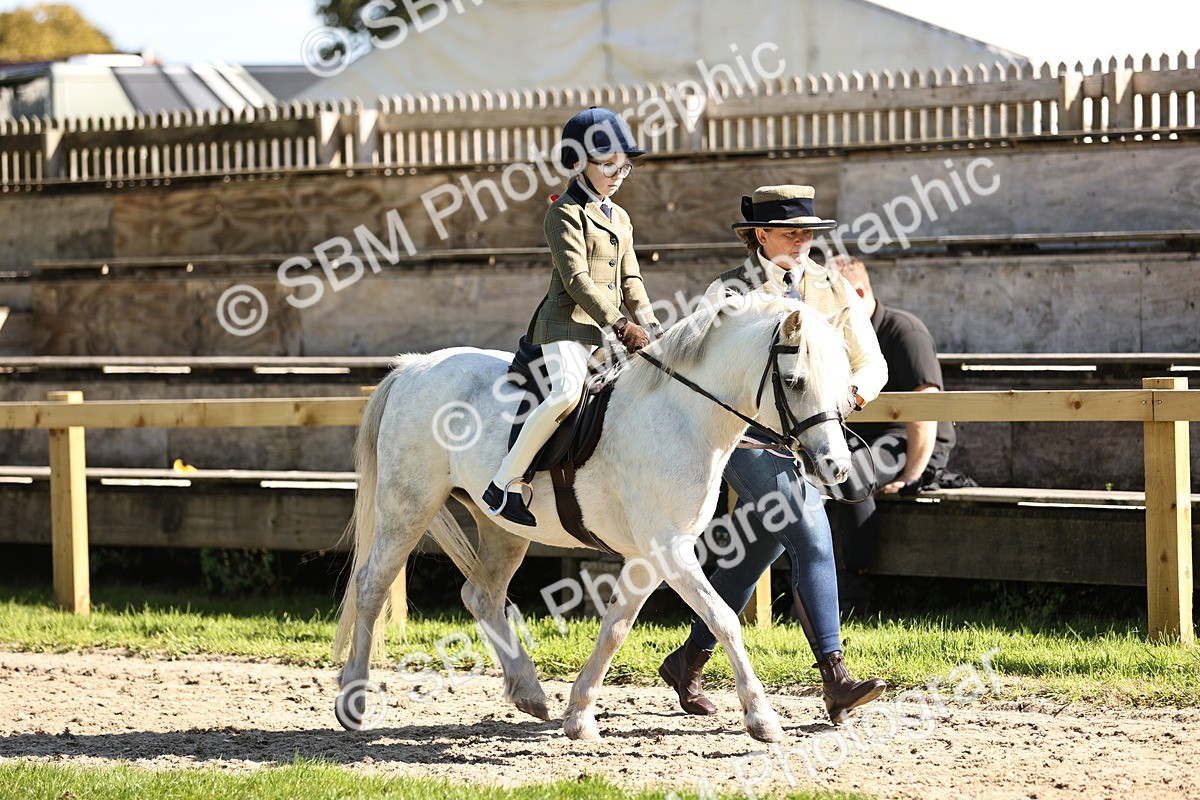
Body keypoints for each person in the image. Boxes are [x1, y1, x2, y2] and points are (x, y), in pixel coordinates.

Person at [658, 185, 888, 724]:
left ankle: (688, 659)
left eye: (809, 231)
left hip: (809, 440)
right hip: (748, 442)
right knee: (810, 533)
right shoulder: (727, 294)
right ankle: (835, 678)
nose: (803, 240)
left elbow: (872, 363)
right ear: (759, 235)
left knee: (754, 552)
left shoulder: (834, 288)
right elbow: (696, 373)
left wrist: (847, 398)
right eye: (792, 231)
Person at [482, 107, 660, 527]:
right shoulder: (563, 213)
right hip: (565, 326)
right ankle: (503, 483)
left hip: (602, 331)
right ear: (579, 162)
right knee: (566, 394)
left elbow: (630, 274)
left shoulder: (620, 216)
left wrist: (649, 322)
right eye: (608, 164)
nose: (619, 174)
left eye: (624, 166)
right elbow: (578, 280)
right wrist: (621, 324)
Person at [825, 254, 963, 578]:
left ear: (858, 294)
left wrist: (912, 476)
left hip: (912, 441)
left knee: (850, 477)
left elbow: (925, 410)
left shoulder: (905, 331)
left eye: (831, 302)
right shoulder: (838, 336)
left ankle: (858, 584)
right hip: (863, 437)